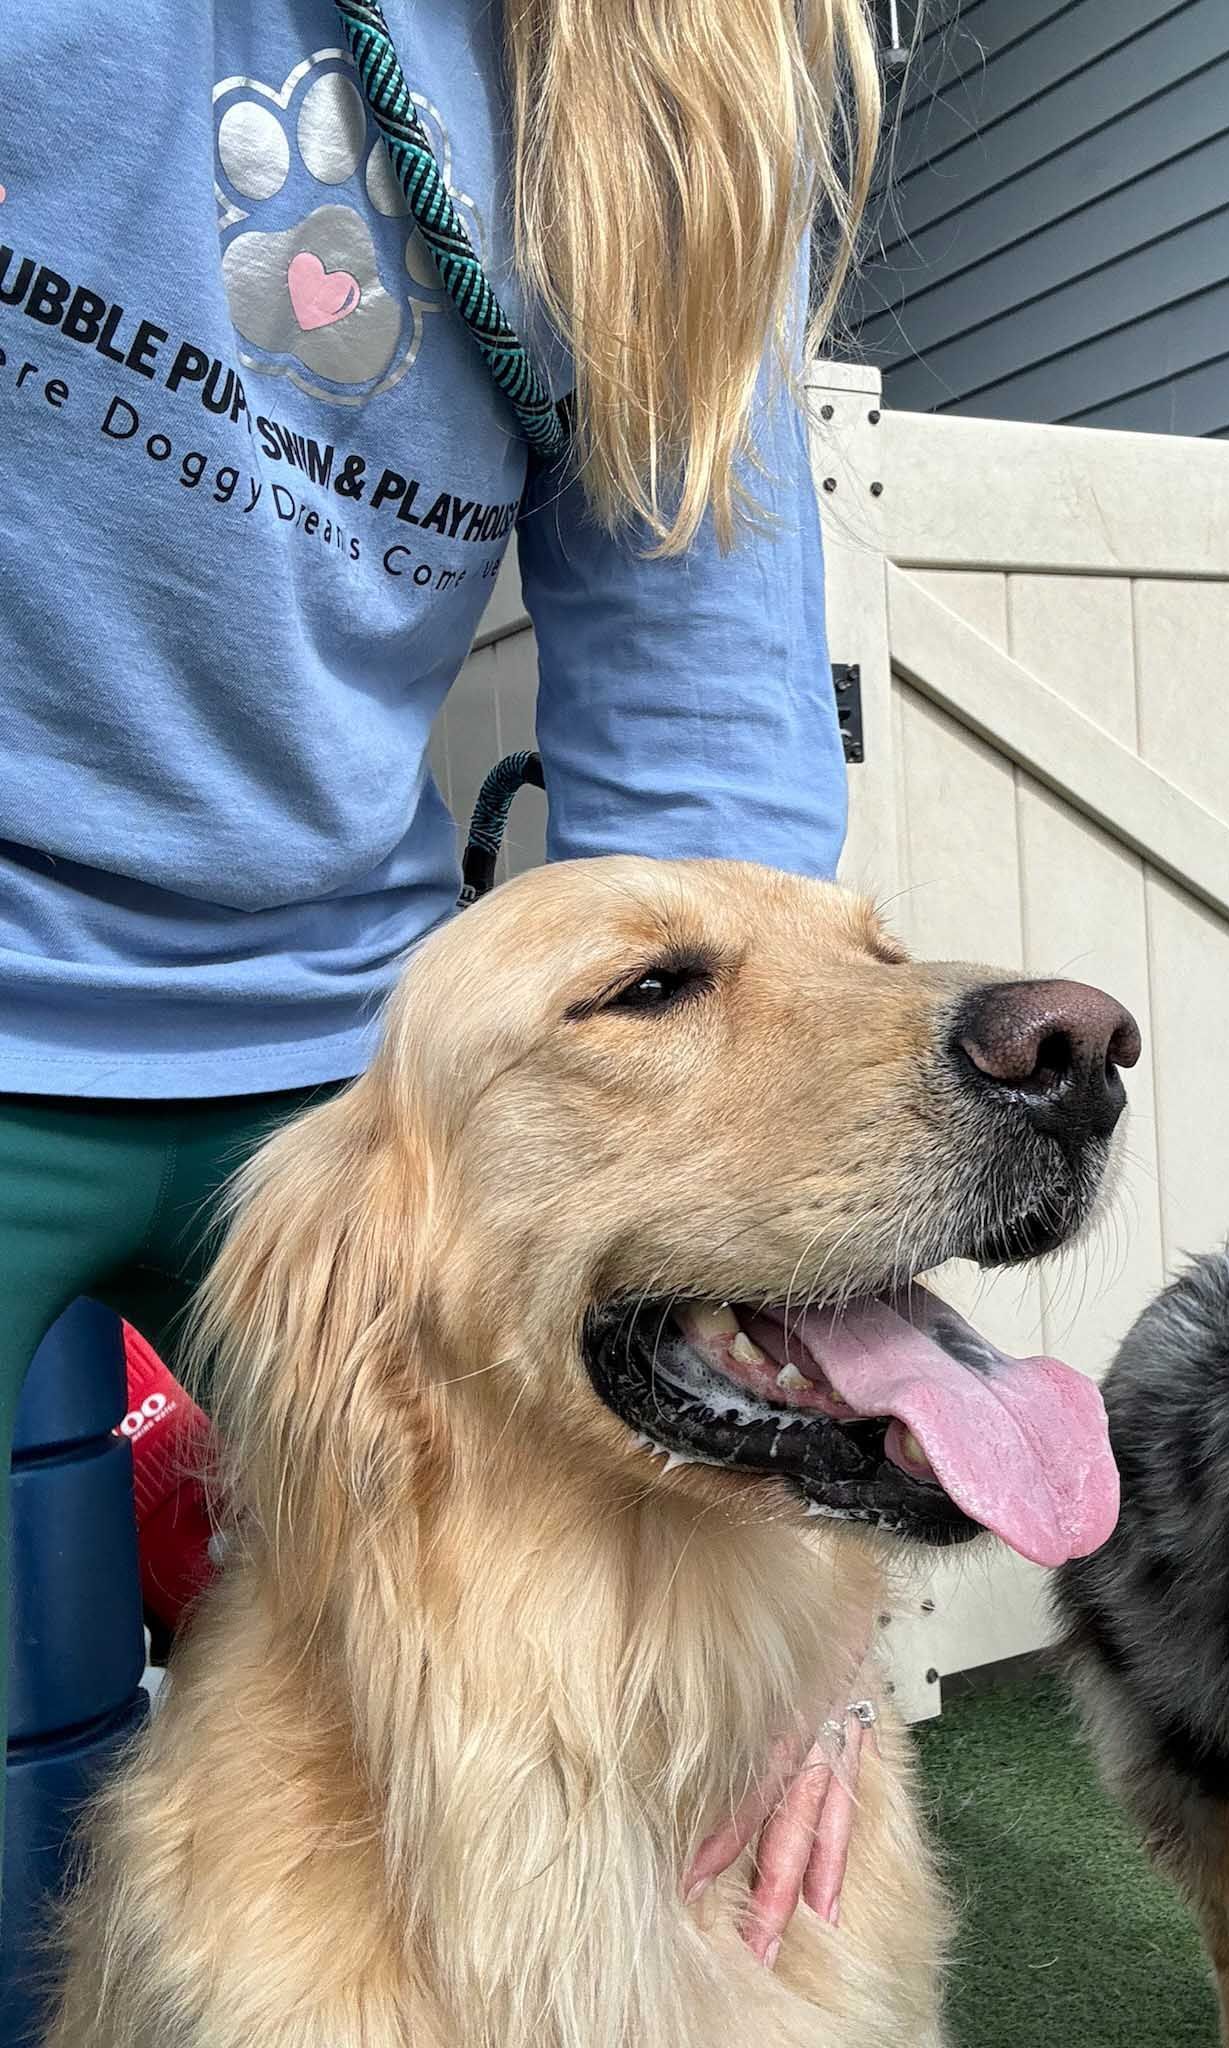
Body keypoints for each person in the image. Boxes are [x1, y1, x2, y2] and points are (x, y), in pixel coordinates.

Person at [1, 0, 881, 1959]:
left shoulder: (696, 59)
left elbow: (706, 750)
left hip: (347, 1054)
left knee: (640, 1805)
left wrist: (799, 1493)